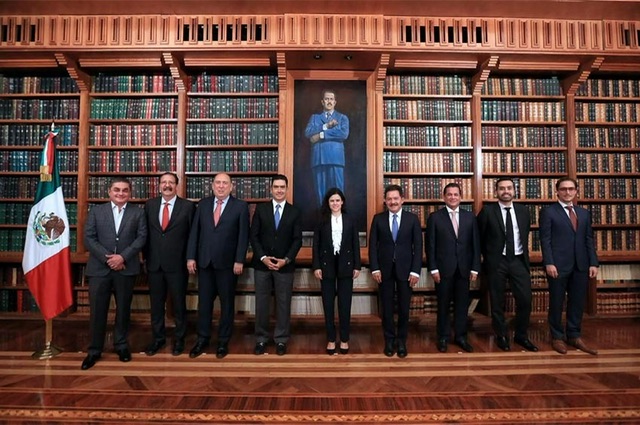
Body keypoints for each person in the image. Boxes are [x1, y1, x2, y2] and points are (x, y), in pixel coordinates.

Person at [81, 177, 147, 370]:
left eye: (125, 190)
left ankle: (121, 345)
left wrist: (122, 258)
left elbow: (141, 238)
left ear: (130, 193)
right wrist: (109, 259)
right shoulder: (96, 211)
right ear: (109, 192)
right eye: (117, 190)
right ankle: (94, 350)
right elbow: (89, 238)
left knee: (123, 309)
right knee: (97, 311)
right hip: (99, 270)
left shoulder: (138, 212)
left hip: (126, 268)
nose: (120, 193)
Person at [186, 173, 249, 359]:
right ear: (212, 186)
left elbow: (243, 236)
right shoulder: (203, 205)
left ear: (231, 187)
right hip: (205, 262)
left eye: (225, 183)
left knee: (227, 304)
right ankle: (202, 339)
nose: (221, 186)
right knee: (204, 304)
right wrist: (191, 257)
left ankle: (223, 341)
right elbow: (195, 233)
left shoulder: (240, 206)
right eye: (218, 183)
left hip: (228, 265)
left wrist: (239, 260)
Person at [477, 177, 538, 352]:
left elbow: (524, 233)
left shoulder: (523, 211)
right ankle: (501, 336)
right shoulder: (488, 211)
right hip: (497, 262)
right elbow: (479, 237)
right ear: (496, 191)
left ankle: (521, 335)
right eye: (502, 188)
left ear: (514, 190)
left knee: (525, 300)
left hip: (518, 260)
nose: (506, 191)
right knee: (497, 302)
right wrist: (485, 257)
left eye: (509, 188)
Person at [540, 177, 599, 355]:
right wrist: (549, 262)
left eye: (571, 189)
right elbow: (545, 240)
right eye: (563, 189)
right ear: (557, 191)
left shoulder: (584, 213)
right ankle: (557, 337)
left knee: (577, 302)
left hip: (581, 265)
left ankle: (574, 335)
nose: (567, 192)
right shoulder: (548, 212)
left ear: (576, 191)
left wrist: (593, 262)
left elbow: (588, 239)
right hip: (557, 265)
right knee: (556, 302)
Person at [143, 172, 196, 357]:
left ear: (176, 185)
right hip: (154, 264)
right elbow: (145, 233)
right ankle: (158, 339)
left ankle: (179, 339)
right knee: (156, 305)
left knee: (179, 304)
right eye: (164, 182)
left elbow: (193, 235)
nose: (167, 185)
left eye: (171, 182)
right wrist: (144, 257)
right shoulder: (150, 205)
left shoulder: (188, 206)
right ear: (159, 186)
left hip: (178, 264)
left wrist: (190, 258)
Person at [250, 174, 302, 356]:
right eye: (276, 187)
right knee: (261, 304)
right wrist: (263, 257)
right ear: (271, 189)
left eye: (282, 187)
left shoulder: (295, 212)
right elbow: (254, 236)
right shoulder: (261, 209)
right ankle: (261, 339)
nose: (279, 190)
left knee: (283, 303)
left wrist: (286, 260)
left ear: (286, 189)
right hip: (262, 265)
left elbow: (297, 240)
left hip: (284, 266)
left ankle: (281, 339)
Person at [426, 182, 480, 353]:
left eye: (456, 194)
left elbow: (475, 244)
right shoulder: (435, 217)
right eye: (449, 194)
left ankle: (461, 337)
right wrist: (433, 268)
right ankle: (443, 337)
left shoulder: (470, 217)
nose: (452, 197)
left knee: (462, 306)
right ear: (444, 197)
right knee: (443, 305)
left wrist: (475, 268)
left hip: (464, 269)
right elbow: (430, 245)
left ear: (460, 197)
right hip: (443, 270)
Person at [369, 184, 422, 358]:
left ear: (402, 200)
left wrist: (415, 271)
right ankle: (389, 341)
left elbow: (418, 247)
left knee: (404, 309)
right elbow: (373, 246)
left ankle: (402, 342)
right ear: (385, 201)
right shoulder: (378, 219)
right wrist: (375, 268)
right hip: (384, 271)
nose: (392, 202)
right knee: (387, 309)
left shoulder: (412, 219)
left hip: (406, 271)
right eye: (389, 199)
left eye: (395, 198)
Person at [312, 188, 361, 355]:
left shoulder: (350, 220)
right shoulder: (321, 220)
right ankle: (331, 339)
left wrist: (357, 266)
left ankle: (345, 339)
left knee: (345, 304)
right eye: (332, 200)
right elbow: (316, 245)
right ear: (328, 203)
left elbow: (355, 244)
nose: (335, 203)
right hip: (326, 265)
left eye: (337, 200)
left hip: (346, 265)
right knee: (328, 304)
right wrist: (316, 266)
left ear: (342, 202)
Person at [304, 90, 350, 207]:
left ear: (335, 102)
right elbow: (308, 132)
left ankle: (338, 214)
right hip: (319, 159)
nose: (329, 101)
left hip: (336, 159)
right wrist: (326, 126)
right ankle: (323, 215)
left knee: (337, 191)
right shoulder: (314, 118)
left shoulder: (342, 118)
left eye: (331, 99)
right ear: (322, 102)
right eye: (326, 99)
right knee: (320, 192)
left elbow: (343, 134)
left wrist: (321, 135)